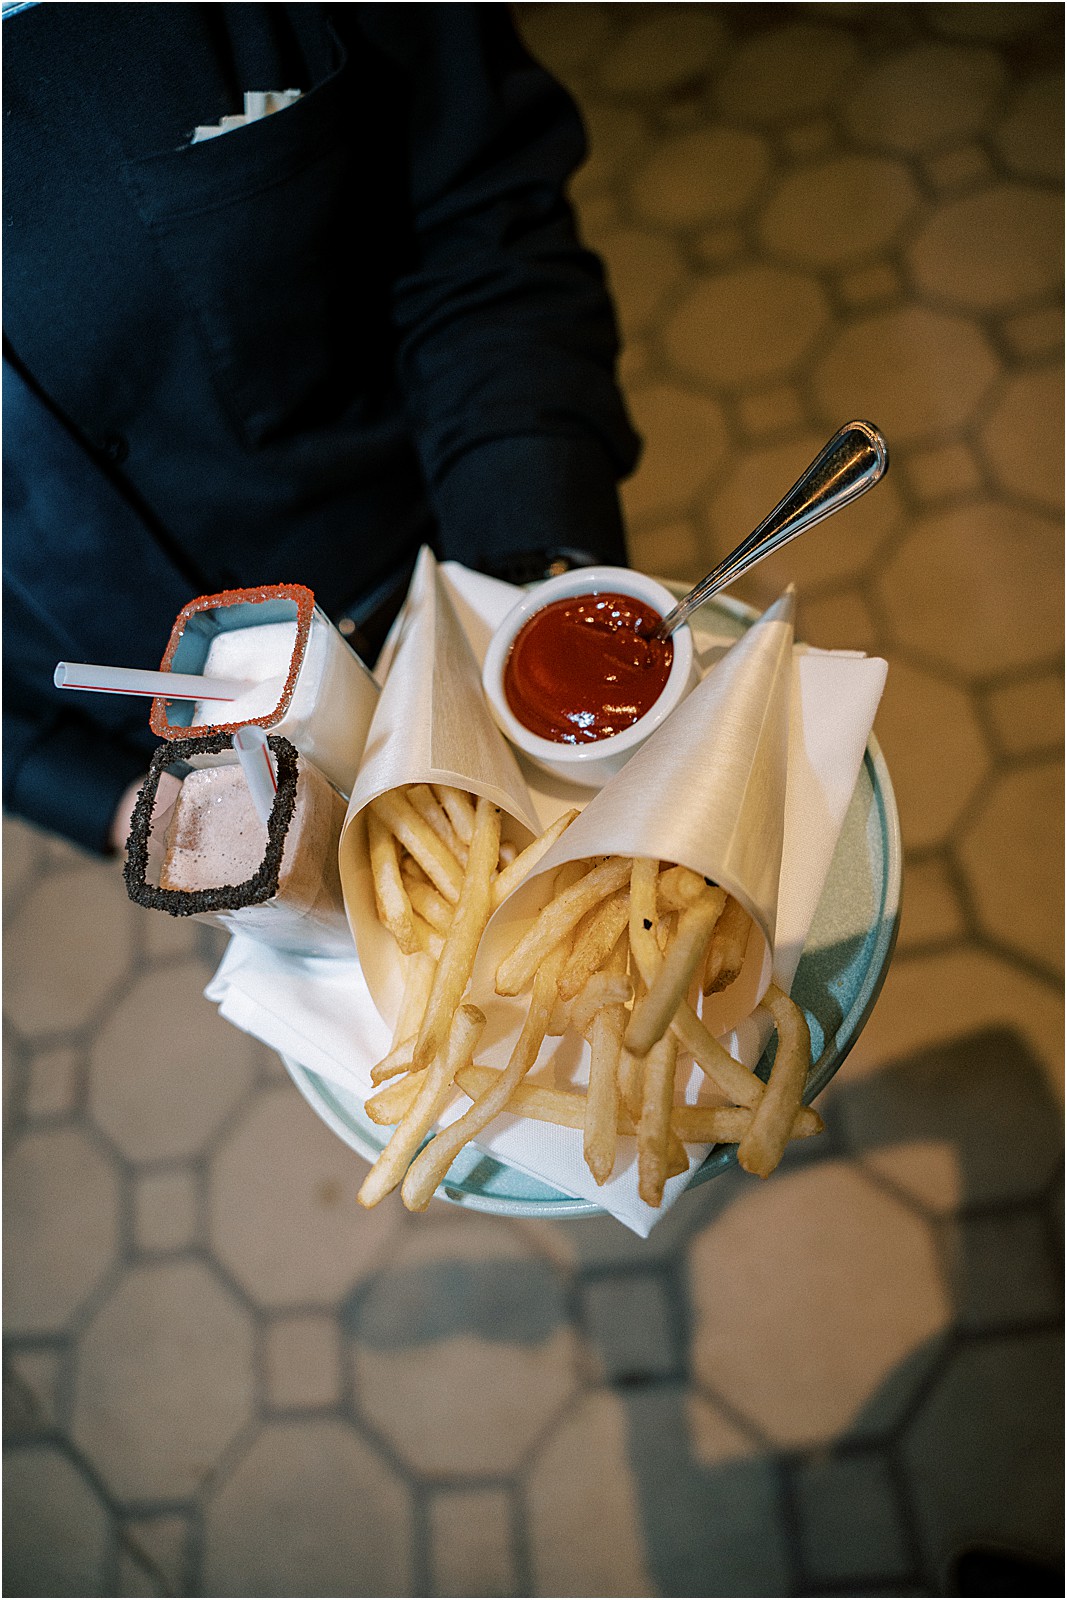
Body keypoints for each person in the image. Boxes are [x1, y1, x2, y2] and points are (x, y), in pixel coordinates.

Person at [3, 3, 639, 855]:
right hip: (178, 758)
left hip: (457, 585)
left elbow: (477, 220)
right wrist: (105, 802)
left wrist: (527, 574)